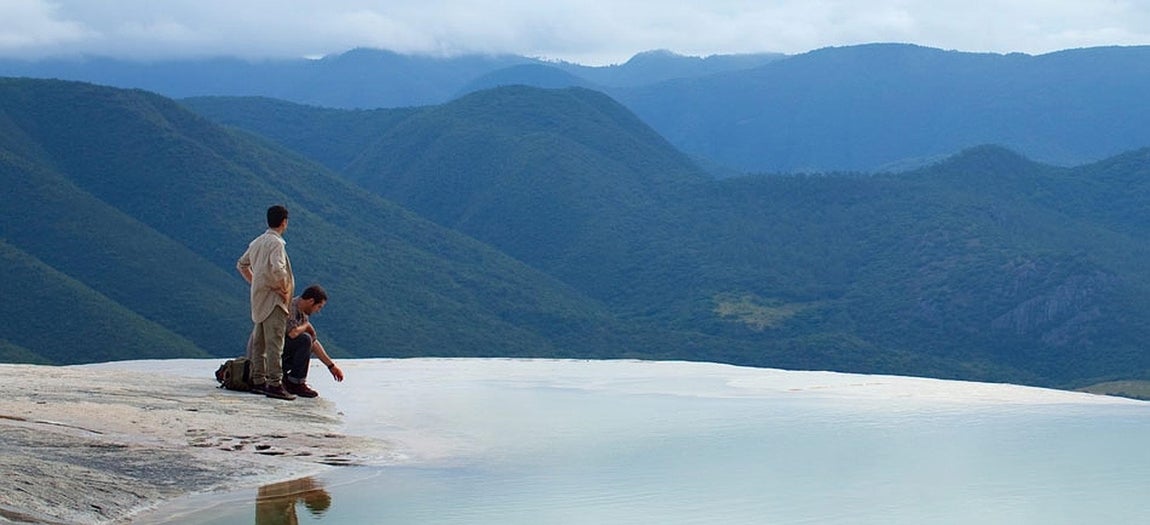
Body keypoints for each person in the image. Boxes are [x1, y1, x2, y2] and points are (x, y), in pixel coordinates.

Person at [237, 205, 296, 400]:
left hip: (258, 298)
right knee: (275, 342)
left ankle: (258, 379)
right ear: (284, 222)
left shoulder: (257, 242)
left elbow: (242, 264)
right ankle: (274, 383)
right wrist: (283, 289)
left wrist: (256, 282)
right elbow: (279, 269)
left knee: (259, 342)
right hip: (274, 301)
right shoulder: (277, 244)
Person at [281, 284, 344, 397]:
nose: (318, 311)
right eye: (319, 306)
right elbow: (292, 333)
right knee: (304, 339)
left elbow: (313, 343)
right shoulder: (290, 307)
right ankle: (295, 382)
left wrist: (331, 366)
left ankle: (290, 379)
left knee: (307, 340)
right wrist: (306, 326)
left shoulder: (302, 313)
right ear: (311, 301)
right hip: (274, 353)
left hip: (284, 351)